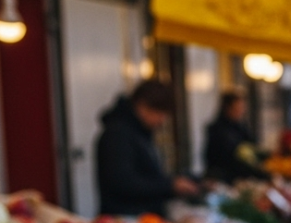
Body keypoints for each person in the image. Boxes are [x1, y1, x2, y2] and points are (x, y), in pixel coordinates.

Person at [96, 80, 198, 216]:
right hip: (126, 219)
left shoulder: (139, 133)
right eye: (160, 113)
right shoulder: (118, 134)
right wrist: (170, 186)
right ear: (143, 106)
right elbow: (123, 182)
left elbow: (147, 172)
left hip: (143, 216)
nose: (162, 121)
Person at [204, 91, 265, 184]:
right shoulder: (219, 130)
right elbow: (235, 158)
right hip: (225, 179)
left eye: (242, 108)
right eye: (237, 108)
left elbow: (253, 147)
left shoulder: (241, 126)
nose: (241, 111)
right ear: (227, 108)